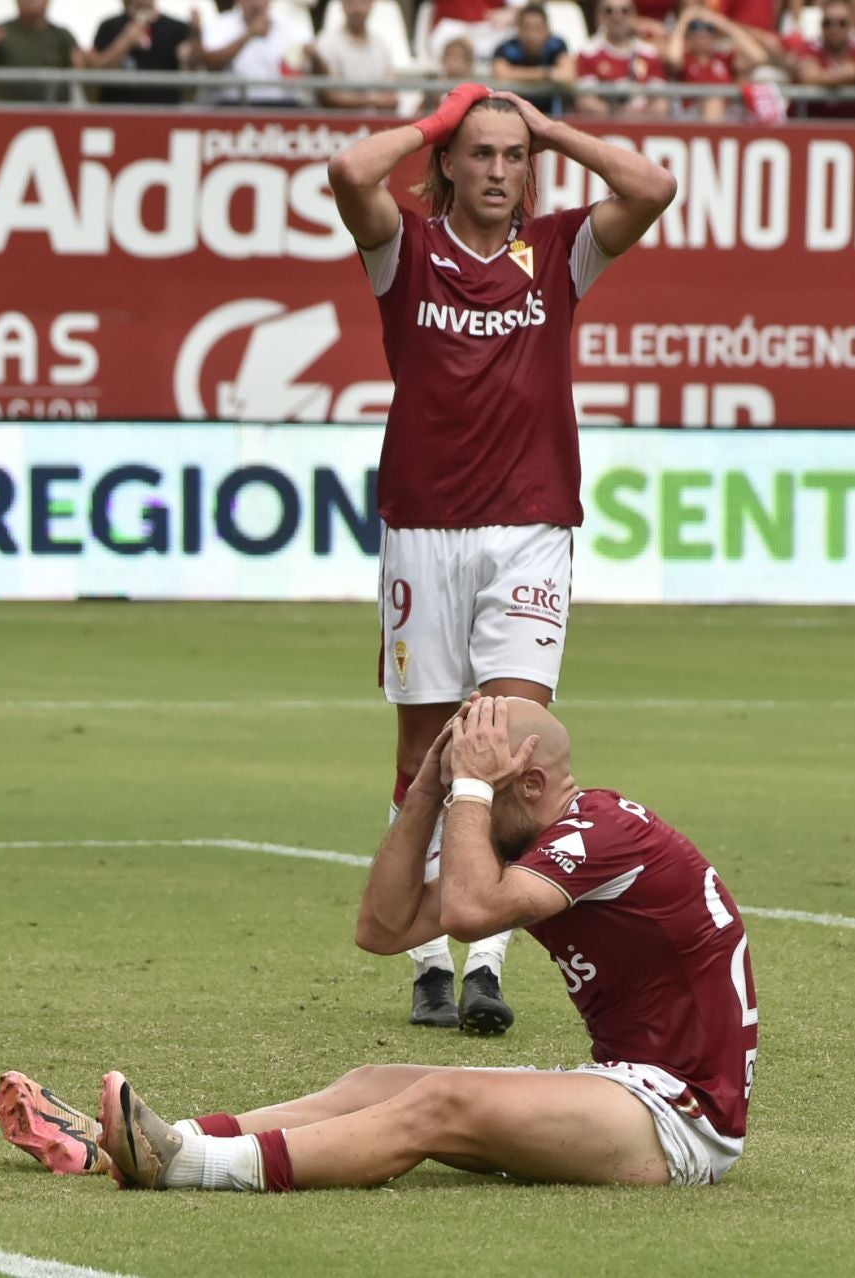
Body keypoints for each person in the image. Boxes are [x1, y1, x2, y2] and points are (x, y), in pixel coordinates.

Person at [0, 697, 758, 1190]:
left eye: (486, 784)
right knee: (372, 1081)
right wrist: (429, 787)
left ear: (527, 785)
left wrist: (468, 790)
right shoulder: (549, 838)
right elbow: (384, 930)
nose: (471, 797)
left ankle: (188, 1165)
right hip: (626, 1089)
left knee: (441, 1099)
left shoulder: (602, 831)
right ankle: (120, 1143)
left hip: (682, 1122)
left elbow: (464, 911)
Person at [324, 86, 675, 1027]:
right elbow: (351, 171)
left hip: (529, 528)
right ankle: (429, 957)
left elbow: (652, 185)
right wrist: (441, 118)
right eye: (478, 154)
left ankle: (489, 961)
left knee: (513, 749)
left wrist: (552, 127)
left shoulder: (560, 250)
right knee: (426, 748)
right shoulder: (407, 249)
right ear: (446, 163)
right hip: (424, 530)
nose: (497, 171)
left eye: (513, 157)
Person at [784, 0, 855, 119]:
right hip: (807, 128)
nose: (834, 29)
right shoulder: (808, 47)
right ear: (820, 24)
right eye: (827, 23)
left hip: (849, 131)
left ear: (851, 25)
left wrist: (840, 75)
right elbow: (809, 76)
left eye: (842, 23)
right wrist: (853, 74)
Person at [0, 0, 81, 103]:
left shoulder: (62, 36)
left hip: (54, 116)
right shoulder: (1, 32)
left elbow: (83, 72)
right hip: (7, 117)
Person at [201, 0, 313, 105]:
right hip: (230, 105)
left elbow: (304, 69)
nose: (256, 2)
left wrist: (313, 56)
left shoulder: (293, 29)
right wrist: (249, 34)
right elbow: (211, 64)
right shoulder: (219, 24)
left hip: (282, 107)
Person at [665, 7, 769, 118]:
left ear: (716, 36)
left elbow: (758, 57)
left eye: (709, 28)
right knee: (713, 101)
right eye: (694, 28)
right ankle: (713, 133)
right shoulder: (686, 58)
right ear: (688, 35)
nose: (702, 33)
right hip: (691, 115)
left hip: (727, 113)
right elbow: (672, 60)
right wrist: (683, 22)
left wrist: (721, 23)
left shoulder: (723, 59)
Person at [91, 0, 199, 106]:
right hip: (117, 109)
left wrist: (196, 34)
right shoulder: (109, 26)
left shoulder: (178, 28)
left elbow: (192, 69)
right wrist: (126, 41)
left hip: (164, 110)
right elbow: (97, 71)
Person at [575, 0, 669, 116]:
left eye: (624, 11)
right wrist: (619, 115)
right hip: (605, 126)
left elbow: (661, 102)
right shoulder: (587, 52)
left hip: (645, 124)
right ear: (599, 16)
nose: (617, 17)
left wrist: (640, 117)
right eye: (609, 11)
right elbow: (586, 102)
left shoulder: (649, 53)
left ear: (634, 16)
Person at [315, 0, 398, 111]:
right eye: (351, 2)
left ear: (372, 4)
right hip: (341, 123)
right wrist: (374, 101)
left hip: (376, 122)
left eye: (363, 2)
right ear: (342, 4)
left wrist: (356, 99)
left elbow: (391, 98)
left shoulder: (381, 45)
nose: (357, 9)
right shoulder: (326, 42)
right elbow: (332, 96)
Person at [490, 3, 572, 116]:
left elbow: (568, 75)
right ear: (518, 28)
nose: (532, 35)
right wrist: (545, 74)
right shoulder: (505, 49)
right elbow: (501, 75)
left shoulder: (557, 45)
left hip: (549, 114)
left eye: (538, 28)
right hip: (514, 114)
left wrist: (516, 74)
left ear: (547, 29)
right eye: (527, 28)